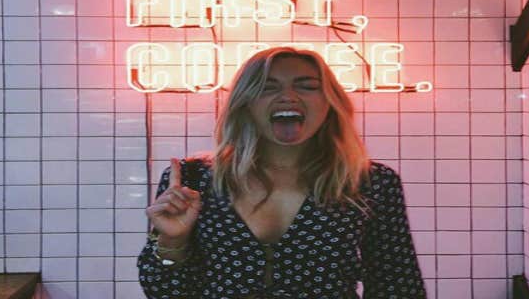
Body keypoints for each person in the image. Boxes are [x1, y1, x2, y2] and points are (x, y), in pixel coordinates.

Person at [137, 47, 426, 298]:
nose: (288, 96)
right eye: (267, 87)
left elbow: (397, 287)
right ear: (246, 102)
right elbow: (165, 291)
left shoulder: (369, 182)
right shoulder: (193, 180)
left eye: (307, 86)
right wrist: (172, 242)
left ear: (330, 102)